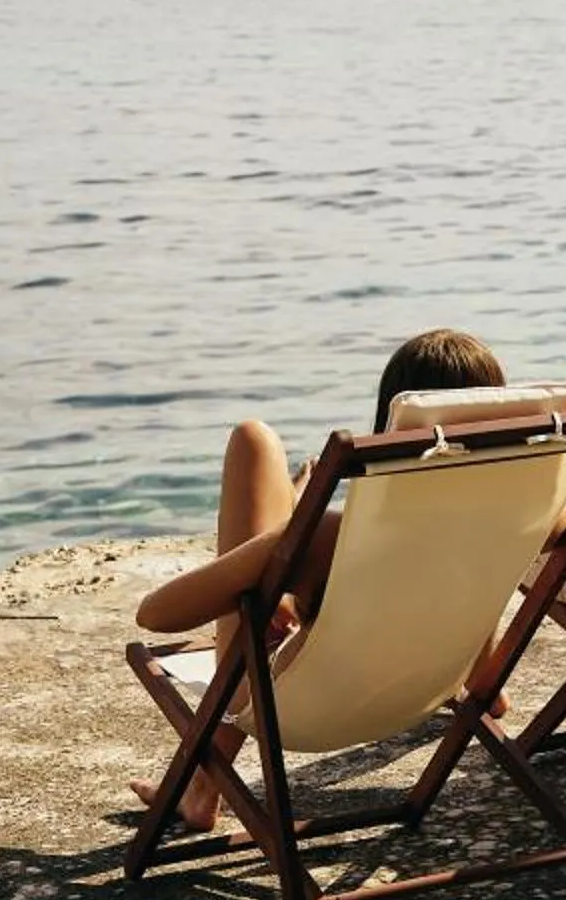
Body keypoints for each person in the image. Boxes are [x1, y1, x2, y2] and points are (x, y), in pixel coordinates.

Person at [131, 328, 505, 830]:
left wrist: (294, 534)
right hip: (425, 688)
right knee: (285, 554)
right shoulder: (521, 517)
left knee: (253, 440)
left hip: (300, 707)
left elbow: (158, 616)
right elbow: (487, 679)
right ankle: (200, 785)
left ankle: (201, 788)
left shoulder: (336, 537)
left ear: (390, 424)